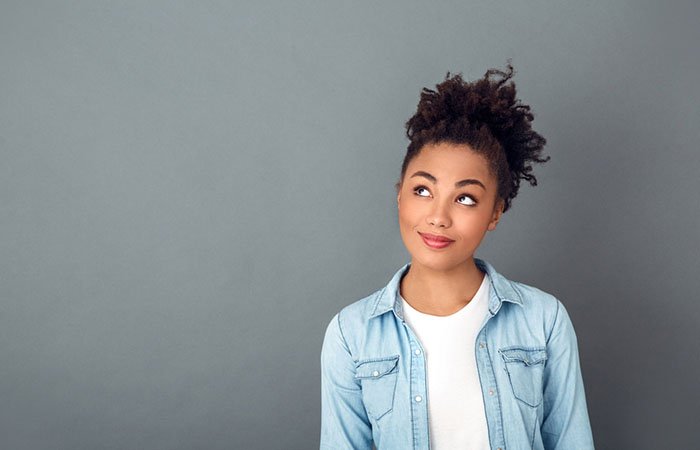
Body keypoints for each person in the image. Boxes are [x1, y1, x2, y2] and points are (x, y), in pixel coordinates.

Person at [319, 63, 595, 450]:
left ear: (495, 212)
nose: (438, 216)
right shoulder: (351, 334)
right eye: (422, 190)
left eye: (466, 198)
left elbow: (571, 442)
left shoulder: (543, 321)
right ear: (400, 194)